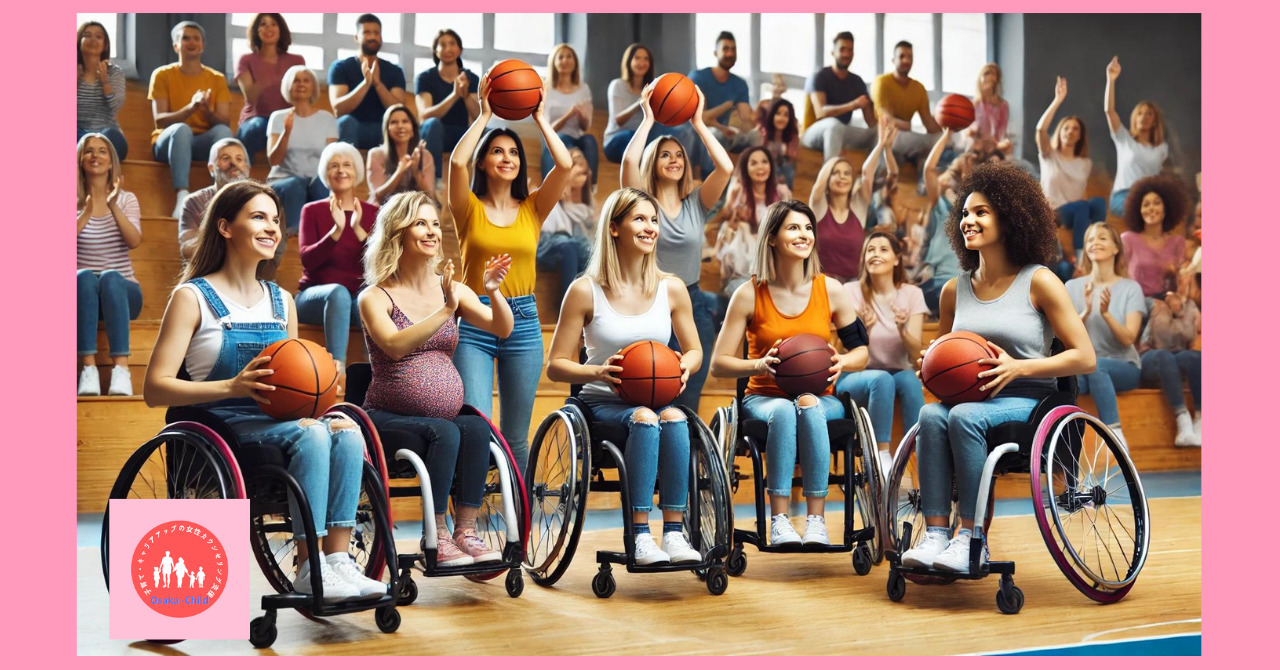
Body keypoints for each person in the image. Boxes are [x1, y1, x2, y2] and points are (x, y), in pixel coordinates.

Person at [143, 181, 385, 602]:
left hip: (278, 421)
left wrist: (321, 389)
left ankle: (338, 561)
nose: (272, 227)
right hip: (220, 425)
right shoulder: (191, 297)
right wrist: (232, 385)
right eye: (258, 216)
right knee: (311, 433)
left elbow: (298, 389)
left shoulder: (282, 301)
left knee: (345, 428)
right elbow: (154, 387)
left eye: (275, 219)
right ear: (224, 227)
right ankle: (310, 568)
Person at [897, 162, 1096, 574]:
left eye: (981, 212)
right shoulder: (955, 290)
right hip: (973, 397)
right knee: (931, 414)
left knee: (965, 417)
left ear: (1011, 218)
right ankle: (936, 533)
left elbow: (1084, 356)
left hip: (1031, 399)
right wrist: (931, 365)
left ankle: (972, 538)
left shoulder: (1039, 281)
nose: (969, 220)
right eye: (965, 213)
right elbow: (947, 349)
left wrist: (1018, 368)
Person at [546, 187, 704, 564]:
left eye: (653, 220)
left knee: (674, 416)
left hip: (656, 399)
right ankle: (639, 535)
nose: (650, 227)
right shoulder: (584, 290)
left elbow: (696, 350)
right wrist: (597, 370)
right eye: (639, 219)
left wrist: (685, 365)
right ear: (614, 228)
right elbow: (555, 365)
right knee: (647, 418)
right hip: (602, 404)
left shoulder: (672, 288)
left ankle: (675, 533)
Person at [360, 191, 515, 565]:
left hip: (440, 417)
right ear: (397, 232)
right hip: (386, 417)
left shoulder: (454, 290)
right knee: (446, 431)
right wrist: (446, 309)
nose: (431, 231)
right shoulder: (375, 296)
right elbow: (395, 346)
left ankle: (466, 530)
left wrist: (492, 292)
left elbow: (502, 328)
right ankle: (438, 534)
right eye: (420, 223)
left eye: (434, 223)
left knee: (477, 427)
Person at [711, 200, 870, 546]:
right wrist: (757, 365)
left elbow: (862, 351)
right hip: (763, 399)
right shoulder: (748, 293)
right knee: (785, 409)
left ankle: (816, 520)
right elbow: (718, 363)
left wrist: (842, 361)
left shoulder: (831, 289)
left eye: (808, 228)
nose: (804, 235)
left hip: (821, 399)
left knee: (808, 402)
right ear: (772, 238)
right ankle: (779, 519)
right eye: (794, 228)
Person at [447, 73, 572, 472]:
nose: (506, 158)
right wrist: (484, 115)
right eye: (497, 152)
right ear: (484, 160)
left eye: (513, 153)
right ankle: (466, 522)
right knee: (476, 426)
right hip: (474, 321)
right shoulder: (467, 207)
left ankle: (519, 518)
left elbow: (565, 165)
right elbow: (455, 162)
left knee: (516, 435)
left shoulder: (533, 209)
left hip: (523, 319)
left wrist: (539, 119)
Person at [621, 82, 733, 412]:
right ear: (653, 161)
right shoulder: (642, 203)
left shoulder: (697, 203)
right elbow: (628, 164)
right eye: (665, 155)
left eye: (679, 155)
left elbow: (725, 168)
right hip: (648, 302)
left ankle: (687, 461)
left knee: (688, 402)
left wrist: (698, 122)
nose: (674, 160)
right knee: (653, 396)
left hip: (692, 303)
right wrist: (647, 118)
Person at [837, 232, 927, 471]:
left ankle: (920, 455)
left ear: (897, 259)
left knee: (909, 379)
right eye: (870, 250)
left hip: (899, 371)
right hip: (856, 374)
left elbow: (915, 356)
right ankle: (880, 457)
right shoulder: (849, 291)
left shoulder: (912, 294)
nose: (875, 254)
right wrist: (861, 331)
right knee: (882, 379)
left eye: (883, 249)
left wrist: (902, 328)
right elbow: (838, 350)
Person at [297, 142, 377, 373]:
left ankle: (373, 372)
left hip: (355, 301)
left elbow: (382, 262)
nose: (341, 171)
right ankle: (336, 369)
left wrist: (360, 232)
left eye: (347, 165)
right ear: (325, 173)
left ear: (356, 172)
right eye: (334, 166)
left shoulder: (372, 212)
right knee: (338, 293)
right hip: (314, 296)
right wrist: (336, 232)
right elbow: (307, 260)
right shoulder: (311, 210)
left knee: (370, 297)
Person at [1065, 223, 1147, 449]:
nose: (1094, 243)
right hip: (1086, 369)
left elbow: (1128, 338)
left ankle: (1115, 435)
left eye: (1102, 238)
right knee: (1064, 382)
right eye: (1090, 239)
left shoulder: (1131, 288)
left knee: (1096, 367)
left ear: (1115, 249)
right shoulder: (1071, 287)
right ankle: (1065, 457)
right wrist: (1086, 312)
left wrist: (1106, 314)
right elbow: (1063, 337)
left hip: (1124, 366)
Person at [77, 133, 142, 396]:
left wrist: (112, 206)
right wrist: (86, 213)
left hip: (123, 295)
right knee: (82, 277)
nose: (95, 156)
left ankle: (122, 370)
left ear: (111, 160)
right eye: (89, 151)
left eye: (102, 151)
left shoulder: (127, 199)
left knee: (111, 277)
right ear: (80, 160)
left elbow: (134, 240)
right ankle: (88, 369)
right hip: (82, 296)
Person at [149, 21, 232, 219]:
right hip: (168, 143)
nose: (192, 42)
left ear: (203, 45)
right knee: (181, 129)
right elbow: (159, 121)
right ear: (176, 45)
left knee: (224, 134)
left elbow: (224, 122)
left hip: (201, 143)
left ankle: (227, 193)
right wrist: (190, 108)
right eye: (186, 38)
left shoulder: (216, 78)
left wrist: (206, 111)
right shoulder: (162, 75)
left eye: (196, 39)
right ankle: (182, 197)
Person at [811, 119, 896, 283]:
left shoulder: (859, 207)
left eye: (847, 173)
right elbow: (818, 186)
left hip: (854, 283)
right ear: (828, 178)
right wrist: (834, 161)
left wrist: (880, 144)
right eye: (836, 173)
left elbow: (867, 172)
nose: (842, 176)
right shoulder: (819, 206)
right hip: (822, 282)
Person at [1036, 76, 1105, 264]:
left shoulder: (1085, 163)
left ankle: (1102, 242)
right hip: (1054, 211)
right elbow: (1041, 130)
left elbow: (1080, 191)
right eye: (1066, 127)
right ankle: (1082, 257)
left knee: (1098, 202)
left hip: (1076, 211)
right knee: (1082, 206)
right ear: (1060, 131)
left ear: (1080, 136)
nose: (1070, 131)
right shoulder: (1049, 155)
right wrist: (1057, 100)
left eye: (1075, 129)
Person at [712, 147, 792, 302]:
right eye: (753, 163)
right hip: (742, 259)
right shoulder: (739, 192)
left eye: (764, 162)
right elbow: (728, 225)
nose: (760, 167)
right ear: (746, 168)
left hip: (772, 261)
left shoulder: (782, 193)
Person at [267, 65, 337, 234]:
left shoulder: (327, 119)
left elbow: (331, 159)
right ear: (289, 86)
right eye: (296, 80)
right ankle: (294, 234)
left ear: (313, 87)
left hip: (315, 180)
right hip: (284, 180)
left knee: (325, 184)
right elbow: (274, 160)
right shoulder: (278, 117)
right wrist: (286, 132)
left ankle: (328, 234)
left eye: (306, 80)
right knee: (296, 185)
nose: (301, 84)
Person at [603, 43, 693, 163]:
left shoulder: (653, 87)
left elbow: (657, 120)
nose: (642, 62)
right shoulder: (617, 85)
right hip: (616, 140)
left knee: (686, 131)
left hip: (646, 136)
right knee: (639, 135)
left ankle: (682, 172)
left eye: (646, 59)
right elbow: (618, 120)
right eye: (637, 58)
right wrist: (641, 102)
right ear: (629, 61)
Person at [688, 31, 762, 177]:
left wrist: (764, 110)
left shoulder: (739, 83)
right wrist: (727, 106)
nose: (730, 53)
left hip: (724, 132)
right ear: (716, 53)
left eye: (733, 49)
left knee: (757, 136)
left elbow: (747, 119)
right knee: (713, 135)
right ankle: (724, 177)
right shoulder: (698, 77)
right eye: (726, 49)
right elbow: (700, 119)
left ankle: (754, 178)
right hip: (703, 131)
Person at [328, 14, 407, 150]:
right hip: (354, 128)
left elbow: (398, 109)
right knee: (346, 122)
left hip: (384, 130)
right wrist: (365, 83)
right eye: (366, 32)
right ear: (356, 37)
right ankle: (349, 167)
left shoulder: (395, 71)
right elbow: (338, 110)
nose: (372, 37)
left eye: (376, 33)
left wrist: (377, 84)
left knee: (396, 124)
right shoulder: (340, 67)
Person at [1104, 56, 1170, 216]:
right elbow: (1109, 111)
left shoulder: (1162, 148)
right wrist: (1111, 80)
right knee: (1143, 209)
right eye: (1140, 113)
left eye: (1149, 114)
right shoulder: (1123, 139)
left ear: (1154, 121)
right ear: (1134, 118)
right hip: (1123, 196)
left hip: (1149, 196)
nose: (1144, 117)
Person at [234, 14, 306, 159]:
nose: (268, 28)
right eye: (263, 24)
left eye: (273, 24)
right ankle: (243, 179)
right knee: (255, 128)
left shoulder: (296, 60)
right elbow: (250, 97)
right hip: (256, 118)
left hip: (287, 118)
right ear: (256, 31)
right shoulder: (246, 59)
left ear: (280, 29)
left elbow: (302, 95)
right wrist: (266, 81)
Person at [1138, 290, 1201, 447]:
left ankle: (1201, 420)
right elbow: (1161, 338)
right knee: (1164, 357)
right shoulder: (1148, 302)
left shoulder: (1189, 306)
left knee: (1196, 358)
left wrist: (1180, 313)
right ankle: (1183, 421)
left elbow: (1191, 337)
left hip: (1175, 355)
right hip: (1146, 356)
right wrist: (1162, 306)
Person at [416, 28, 480, 180]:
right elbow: (424, 116)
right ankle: (434, 181)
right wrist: (454, 96)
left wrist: (465, 96)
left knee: (490, 133)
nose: (448, 49)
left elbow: (479, 116)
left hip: (461, 133)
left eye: (452, 44)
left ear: (460, 49)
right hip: (434, 134)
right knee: (433, 124)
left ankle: (482, 188)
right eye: (442, 45)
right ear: (435, 51)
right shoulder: (425, 78)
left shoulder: (471, 78)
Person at [803, 31, 878, 161]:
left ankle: (877, 177)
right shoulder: (820, 76)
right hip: (813, 133)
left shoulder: (857, 82)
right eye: (842, 49)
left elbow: (871, 122)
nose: (846, 54)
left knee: (878, 131)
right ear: (833, 52)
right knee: (834, 125)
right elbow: (821, 113)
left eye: (850, 50)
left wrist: (873, 108)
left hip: (840, 132)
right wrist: (853, 105)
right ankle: (830, 177)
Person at [537, 147, 595, 312]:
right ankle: (570, 310)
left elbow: (584, 231)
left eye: (584, 172)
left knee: (586, 248)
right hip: (545, 242)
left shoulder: (581, 208)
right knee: (572, 245)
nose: (581, 174)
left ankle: (589, 305)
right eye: (575, 167)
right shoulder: (549, 192)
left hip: (567, 244)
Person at [870, 41, 942, 166]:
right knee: (891, 137)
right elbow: (886, 120)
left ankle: (923, 181)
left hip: (908, 138)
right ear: (893, 60)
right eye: (902, 56)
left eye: (910, 57)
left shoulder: (919, 88)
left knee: (941, 140)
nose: (906, 60)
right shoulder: (881, 82)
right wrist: (908, 126)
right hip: (884, 135)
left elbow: (929, 124)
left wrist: (947, 128)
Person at [180, 138, 250, 259]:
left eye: (239, 159)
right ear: (211, 168)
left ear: (247, 169)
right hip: (207, 272)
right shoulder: (194, 201)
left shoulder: (257, 201)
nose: (233, 164)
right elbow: (187, 250)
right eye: (226, 158)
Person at [1121, 175, 1189, 301]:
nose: (1151, 208)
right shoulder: (1128, 240)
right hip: (1136, 303)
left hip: (1169, 302)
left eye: (1157, 203)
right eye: (1146, 205)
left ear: (1166, 208)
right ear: (1138, 210)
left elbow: (1181, 280)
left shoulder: (1177, 242)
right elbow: (1118, 277)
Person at [541, 44, 599, 184]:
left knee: (590, 140)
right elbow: (548, 130)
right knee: (563, 139)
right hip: (555, 138)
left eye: (569, 56)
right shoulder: (546, 88)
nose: (565, 60)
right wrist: (568, 115)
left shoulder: (583, 89)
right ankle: (560, 188)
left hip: (578, 138)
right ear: (554, 63)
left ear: (575, 62)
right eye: (560, 57)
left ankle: (590, 188)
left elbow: (585, 127)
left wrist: (581, 115)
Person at [367, 104, 436, 205]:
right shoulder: (376, 154)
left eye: (405, 121)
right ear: (387, 130)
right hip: (384, 208)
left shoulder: (425, 156)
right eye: (394, 122)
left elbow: (430, 196)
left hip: (414, 208)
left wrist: (415, 171)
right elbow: (378, 195)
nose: (400, 126)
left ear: (413, 129)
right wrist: (399, 171)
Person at [77, 21, 127, 159]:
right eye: (87, 35)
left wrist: (105, 82)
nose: (92, 39)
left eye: (98, 37)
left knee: (109, 136)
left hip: (108, 136)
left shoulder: (114, 72)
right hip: (79, 136)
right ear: (79, 41)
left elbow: (116, 106)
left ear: (105, 45)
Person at [756, 95, 798, 189]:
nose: (781, 118)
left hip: (782, 172)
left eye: (786, 115)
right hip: (763, 168)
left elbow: (791, 158)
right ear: (772, 115)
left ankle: (787, 200)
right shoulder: (762, 131)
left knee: (788, 167)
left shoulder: (792, 136)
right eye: (778, 113)